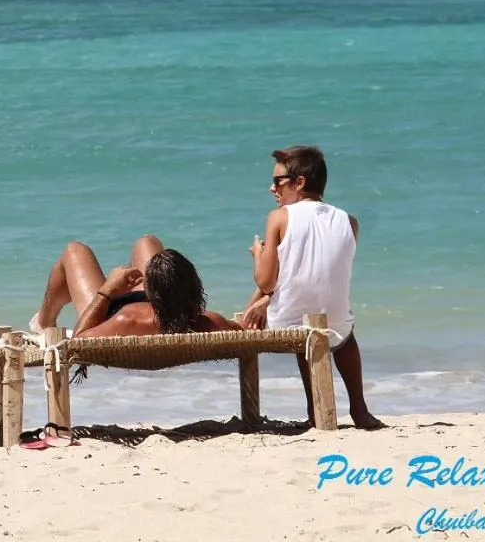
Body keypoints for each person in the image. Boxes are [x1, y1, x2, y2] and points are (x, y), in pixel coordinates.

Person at [239, 145, 384, 429]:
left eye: (278, 181)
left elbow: (266, 281)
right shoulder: (349, 222)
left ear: (300, 182)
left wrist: (259, 255)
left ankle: (313, 409)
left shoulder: (279, 217)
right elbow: (320, 272)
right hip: (336, 324)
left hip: (291, 324)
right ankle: (359, 408)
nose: (272, 189)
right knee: (343, 331)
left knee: (301, 319)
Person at [31, 235, 241, 338]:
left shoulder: (128, 319)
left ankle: (44, 321)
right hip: (166, 308)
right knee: (146, 241)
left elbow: (79, 340)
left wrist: (108, 291)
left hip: (110, 312)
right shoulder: (209, 321)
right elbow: (244, 335)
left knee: (74, 250)